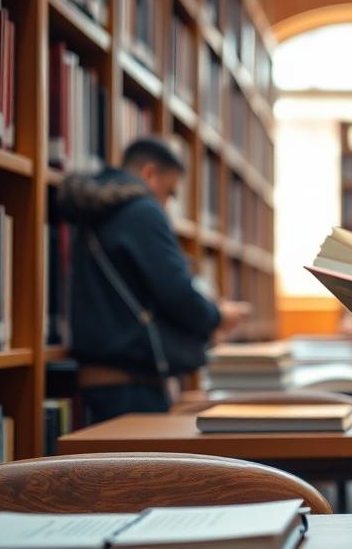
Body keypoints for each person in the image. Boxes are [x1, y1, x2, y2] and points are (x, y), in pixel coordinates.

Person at [63, 137, 249, 423]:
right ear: (149, 173)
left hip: (94, 379)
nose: (167, 204)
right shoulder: (142, 210)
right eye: (169, 192)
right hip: (133, 383)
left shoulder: (95, 211)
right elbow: (176, 292)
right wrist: (216, 316)